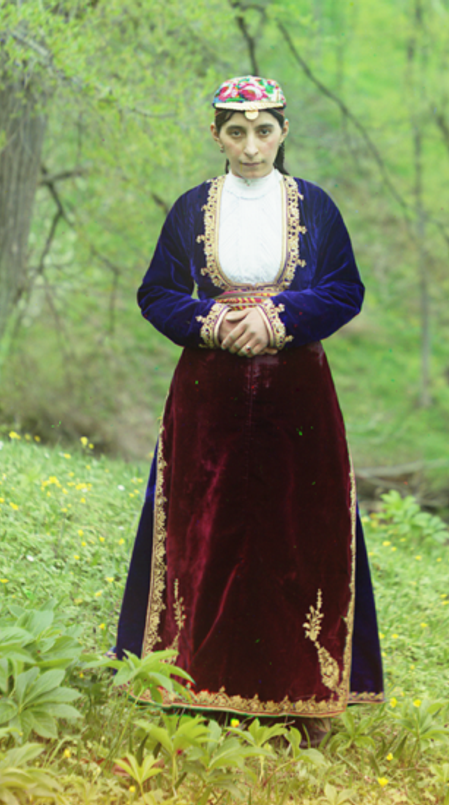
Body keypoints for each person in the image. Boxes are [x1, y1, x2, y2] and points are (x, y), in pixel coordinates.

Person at [110, 75, 384, 746]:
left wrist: (278, 318)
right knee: (207, 533)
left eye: (264, 130)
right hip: (210, 398)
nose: (251, 145)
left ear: (284, 132)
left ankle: (299, 695)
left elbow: (345, 290)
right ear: (216, 135)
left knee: (296, 529)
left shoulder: (316, 208)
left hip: (297, 395)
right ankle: (192, 686)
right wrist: (210, 321)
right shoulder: (188, 210)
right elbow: (156, 293)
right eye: (237, 131)